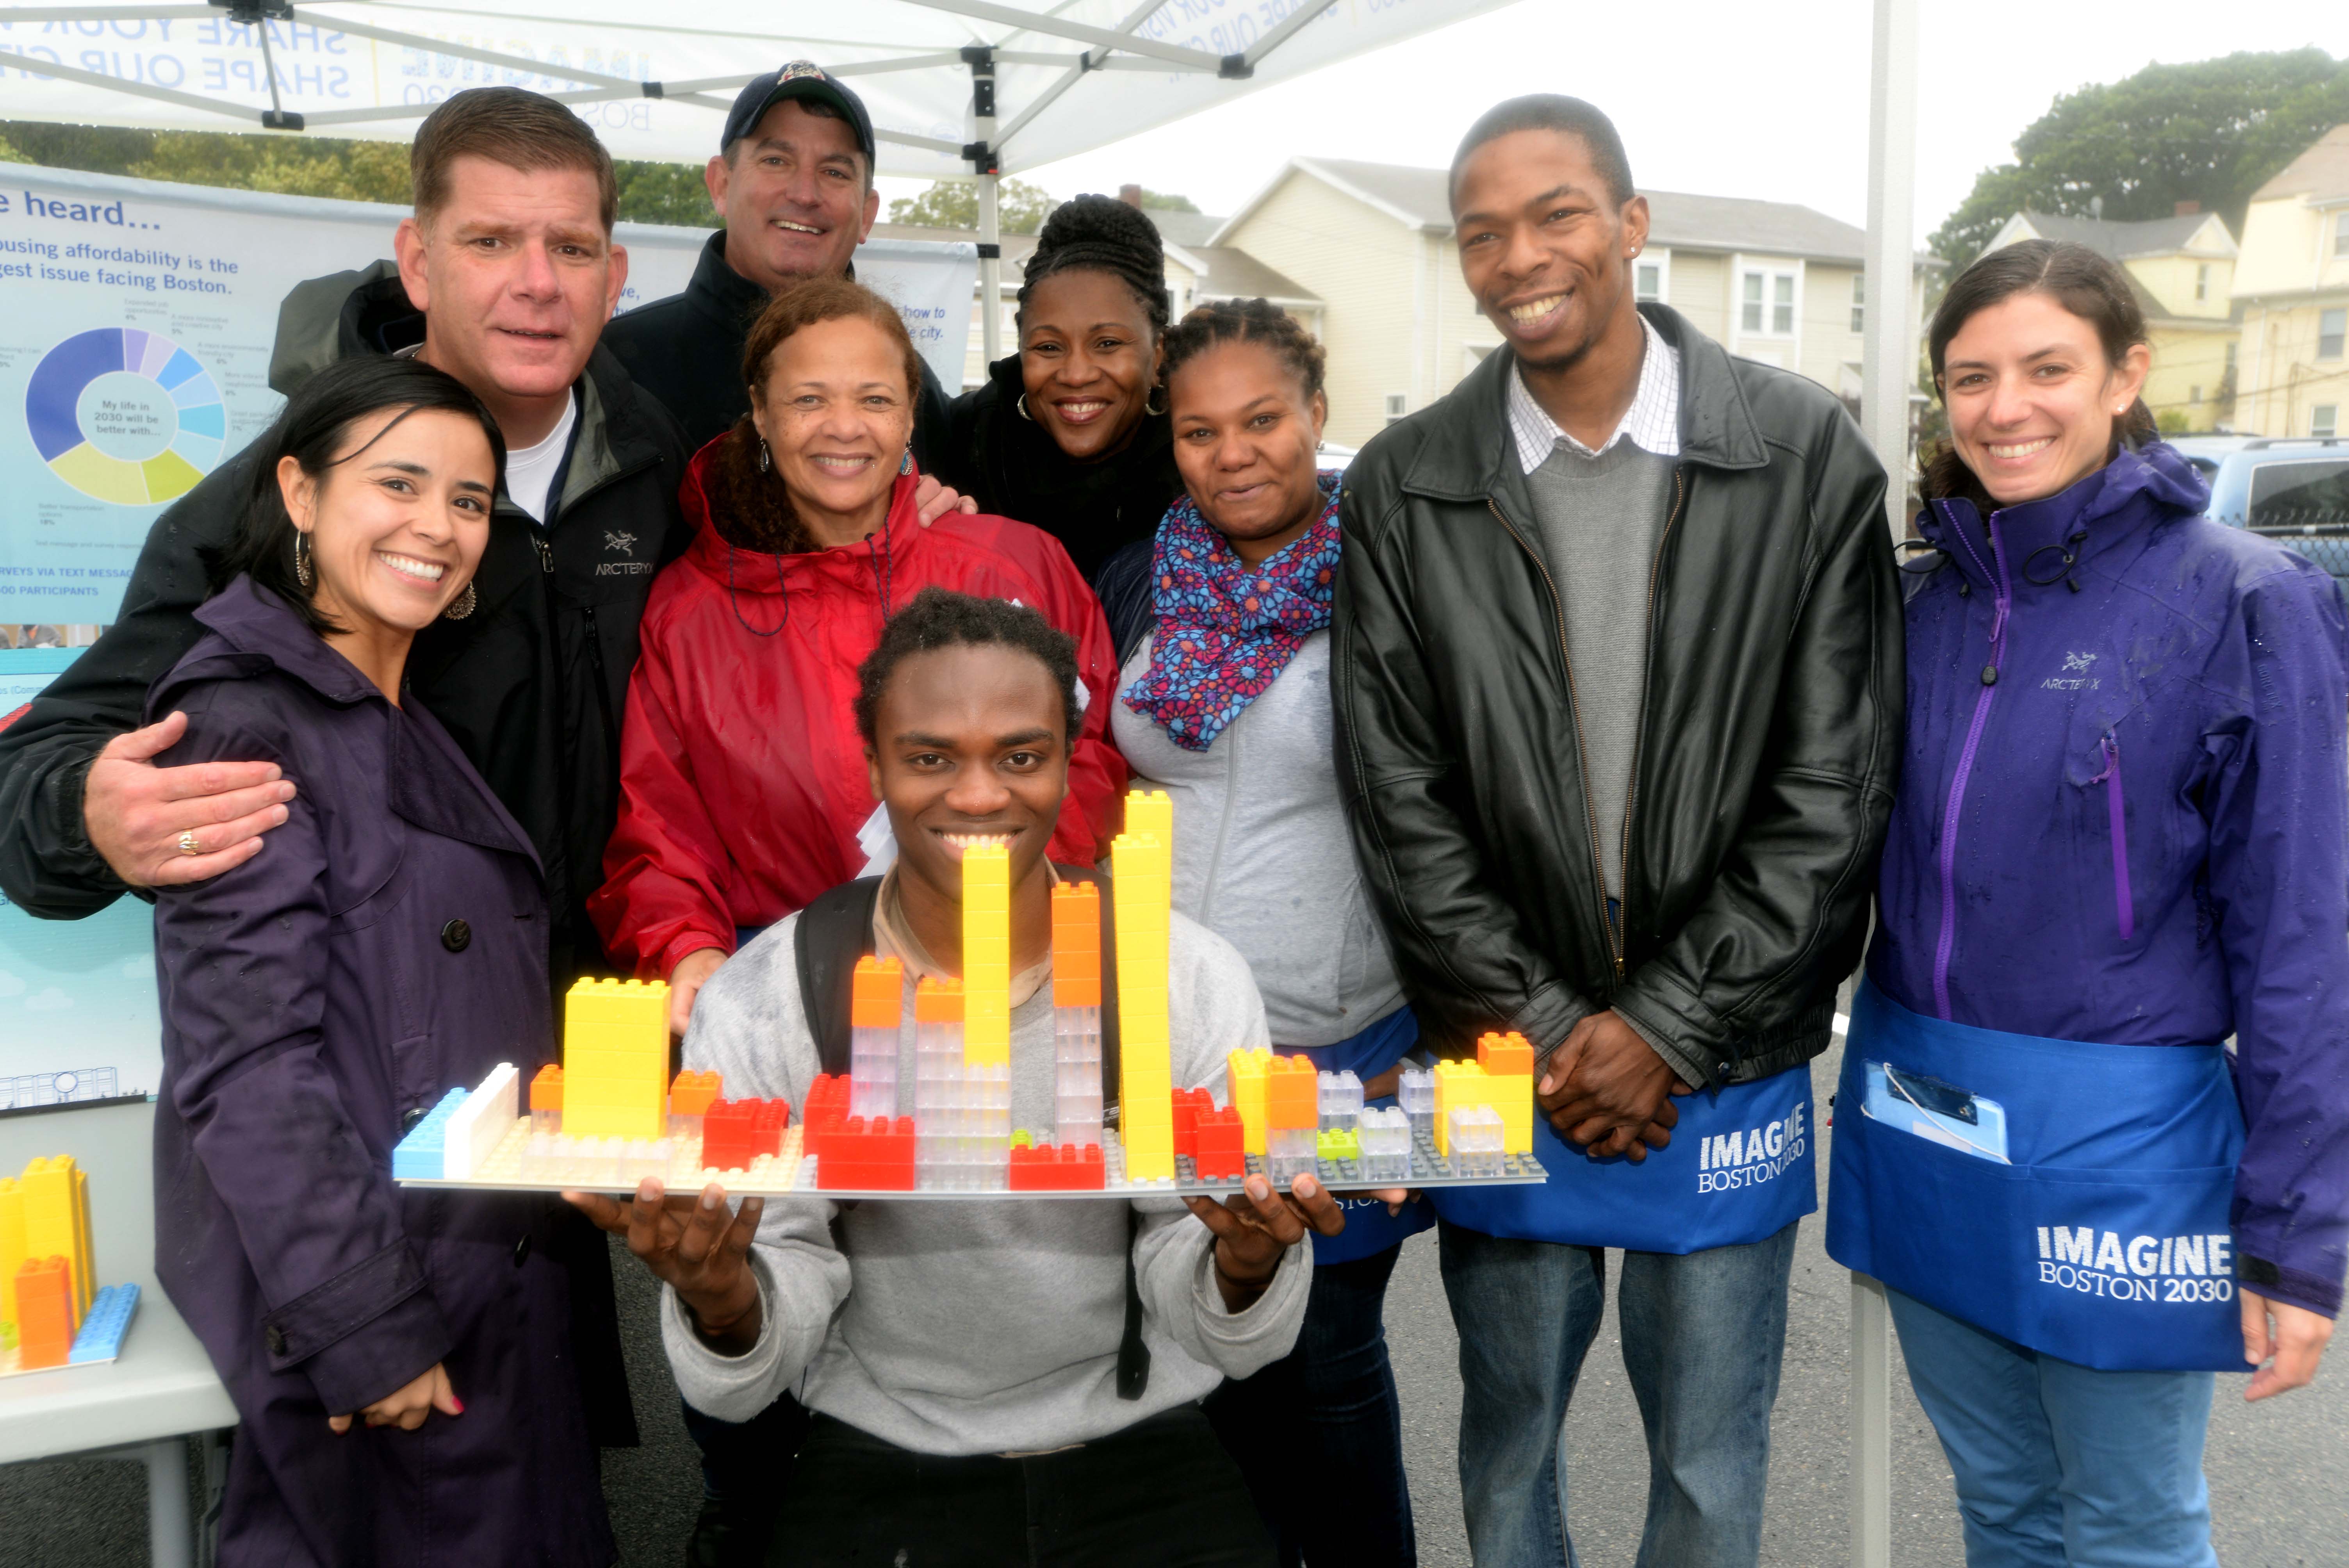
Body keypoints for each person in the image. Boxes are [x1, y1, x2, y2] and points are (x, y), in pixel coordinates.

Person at [0, 85, 695, 1445]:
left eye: (569, 248)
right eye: (493, 242)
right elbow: (50, 768)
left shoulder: (657, 461)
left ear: (617, 274)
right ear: (417, 260)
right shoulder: (286, 487)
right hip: (371, 1132)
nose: (536, 285)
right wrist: (89, 806)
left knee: (534, 1468)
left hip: (574, 1101)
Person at [1330, 96, 1901, 1568]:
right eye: (1480, 231)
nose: (1518, 255)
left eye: (1556, 214)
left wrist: (1660, 1025)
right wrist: (1536, 1027)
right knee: (1507, 1447)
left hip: (1720, 1060)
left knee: (1709, 1464)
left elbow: (1831, 788)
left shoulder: (1797, 452)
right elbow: (1399, 797)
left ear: (1630, 225)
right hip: (1505, 1061)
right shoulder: (1405, 480)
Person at [573, 586, 1339, 1567]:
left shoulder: (1182, 973)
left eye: (1020, 755)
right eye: (930, 757)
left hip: (1139, 1430)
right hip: (879, 1441)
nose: (978, 796)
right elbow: (757, 1356)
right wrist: (724, 1299)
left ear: (1069, 760)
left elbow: (1230, 1332)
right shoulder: (773, 992)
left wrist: (1243, 1265)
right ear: (874, 764)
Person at [1827, 239, 2348, 1566]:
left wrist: (2294, 1238)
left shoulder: (2241, 598)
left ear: (2125, 373)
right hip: (1922, 1111)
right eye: (1970, 377)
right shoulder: (1919, 603)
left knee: (2125, 1526)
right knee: (2000, 1506)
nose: (2005, 407)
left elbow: (2304, 935)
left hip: (2119, 1150)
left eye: (2045, 368)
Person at [149, 355, 609, 1564]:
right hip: (381, 1310)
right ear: (297, 491)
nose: (439, 527)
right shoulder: (251, 723)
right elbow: (245, 1068)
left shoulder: (380, 709)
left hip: (475, 1284)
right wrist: (365, 1324)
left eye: (468, 500)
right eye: (398, 483)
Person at [590, 276, 1127, 1038]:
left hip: (1005, 983)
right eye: (809, 399)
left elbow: (1092, 757)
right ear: (760, 414)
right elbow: (658, 827)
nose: (844, 428)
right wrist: (687, 951)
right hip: (789, 1002)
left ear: (910, 415)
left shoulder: (1013, 564)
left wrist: (974, 891)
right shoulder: (690, 609)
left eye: (874, 399)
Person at [1112, 298, 1428, 1567]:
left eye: (1261, 420)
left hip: (1333, 1041)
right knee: (1195, 1357)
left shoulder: (1395, 586)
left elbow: (1463, 824)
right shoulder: (1145, 577)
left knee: (1326, 1365)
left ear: (1315, 415)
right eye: (1199, 430)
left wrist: (1452, 1029)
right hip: (1162, 1049)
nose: (1232, 453)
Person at [601, 61, 955, 457]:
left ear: (867, 215)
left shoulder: (909, 384)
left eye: (835, 172)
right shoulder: (613, 367)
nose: (805, 193)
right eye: (775, 161)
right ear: (721, 185)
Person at [935, 194, 1185, 596]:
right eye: (1049, 348)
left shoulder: (1200, 454)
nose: (1075, 374)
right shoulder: (964, 440)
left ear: (1157, 354)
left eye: (1106, 343)